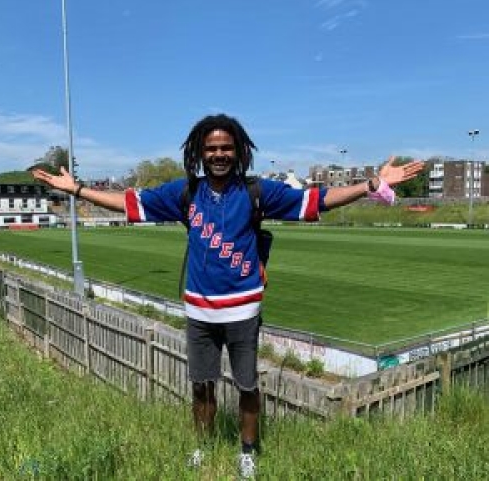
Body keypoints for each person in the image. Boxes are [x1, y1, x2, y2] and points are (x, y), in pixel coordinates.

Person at [32, 114, 424, 478]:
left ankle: (248, 451)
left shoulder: (257, 191)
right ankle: (202, 447)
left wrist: (371, 184)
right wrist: (78, 189)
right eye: (211, 148)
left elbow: (316, 200)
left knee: (247, 385)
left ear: (238, 151)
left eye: (226, 148)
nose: (219, 155)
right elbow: (131, 202)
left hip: (243, 309)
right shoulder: (185, 191)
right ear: (199, 153)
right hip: (199, 310)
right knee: (201, 385)